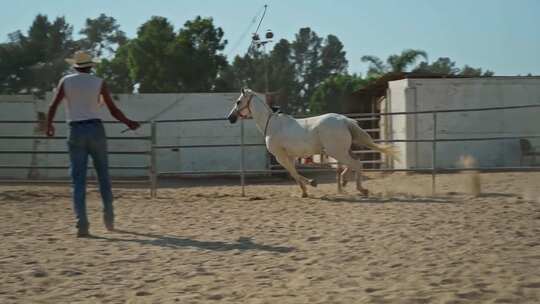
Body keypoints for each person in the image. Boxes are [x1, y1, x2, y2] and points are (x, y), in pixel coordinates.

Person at [46, 51, 140, 237]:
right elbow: (113, 110)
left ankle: (82, 225)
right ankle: (109, 219)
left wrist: (49, 125)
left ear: (74, 66)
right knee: (103, 175)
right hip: (96, 129)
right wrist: (129, 122)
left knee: (78, 179)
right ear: (91, 66)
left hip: (75, 130)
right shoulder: (99, 82)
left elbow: (53, 105)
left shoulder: (66, 81)